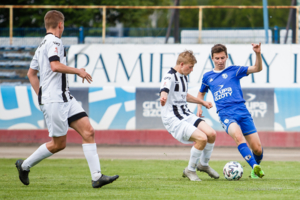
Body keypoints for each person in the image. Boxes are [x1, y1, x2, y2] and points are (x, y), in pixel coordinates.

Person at [15, 10, 119, 188]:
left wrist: (41, 94)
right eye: (63, 26)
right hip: (55, 100)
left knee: (89, 131)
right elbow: (55, 66)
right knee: (58, 144)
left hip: (64, 98)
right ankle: (24, 165)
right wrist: (78, 71)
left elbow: (31, 74)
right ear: (60, 25)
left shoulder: (41, 46)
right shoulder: (54, 41)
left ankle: (97, 177)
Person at [197, 43, 264, 179]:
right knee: (238, 137)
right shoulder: (207, 77)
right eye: (217, 58)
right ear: (212, 58)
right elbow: (200, 94)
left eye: (222, 58)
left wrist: (257, 53)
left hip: (242, 112)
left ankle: (255, 170)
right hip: (225, 114)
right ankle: (254, 166)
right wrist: (200, 106)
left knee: (257, 148)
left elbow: (257, 68)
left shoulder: (234, 70)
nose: (220, 61)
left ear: (227, 57)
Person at [160, 50, 219, 181]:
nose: (192, 70)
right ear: (181, 64)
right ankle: (190, 170)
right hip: (173, 118)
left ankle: (203, 165)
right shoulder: (169, 76)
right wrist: (163, 97)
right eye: (190, 67)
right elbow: (164, 90)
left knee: (211, 134)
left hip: (185, 114)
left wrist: (202, 102)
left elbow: (184, 95)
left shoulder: (184, 76)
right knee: (202, 138)